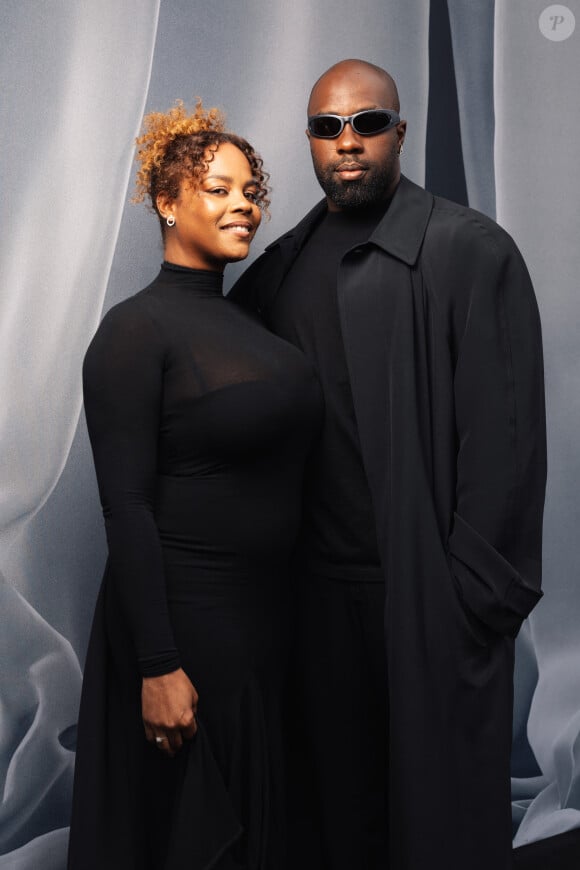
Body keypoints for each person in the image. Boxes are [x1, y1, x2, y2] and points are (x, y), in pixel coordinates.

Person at [230, 59, 547, 870]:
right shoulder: (276, 277)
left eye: (368, 124)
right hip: (313, 606)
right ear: (308, 139)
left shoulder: (470, 251)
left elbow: (507, 442)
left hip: (427, 601)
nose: (348, 143)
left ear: (399, 133)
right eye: (328, 127)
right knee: (335, 825)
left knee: (435, 828)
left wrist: (474, 602)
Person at [67, 101, 321, 870]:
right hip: (186, 631)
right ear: (169, 203)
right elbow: (126, 503)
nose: (243, 203)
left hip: (268, 625)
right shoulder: (133, 332)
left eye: (251, 190)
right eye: (218, 188)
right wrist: (156, 665)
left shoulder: (254, 323)